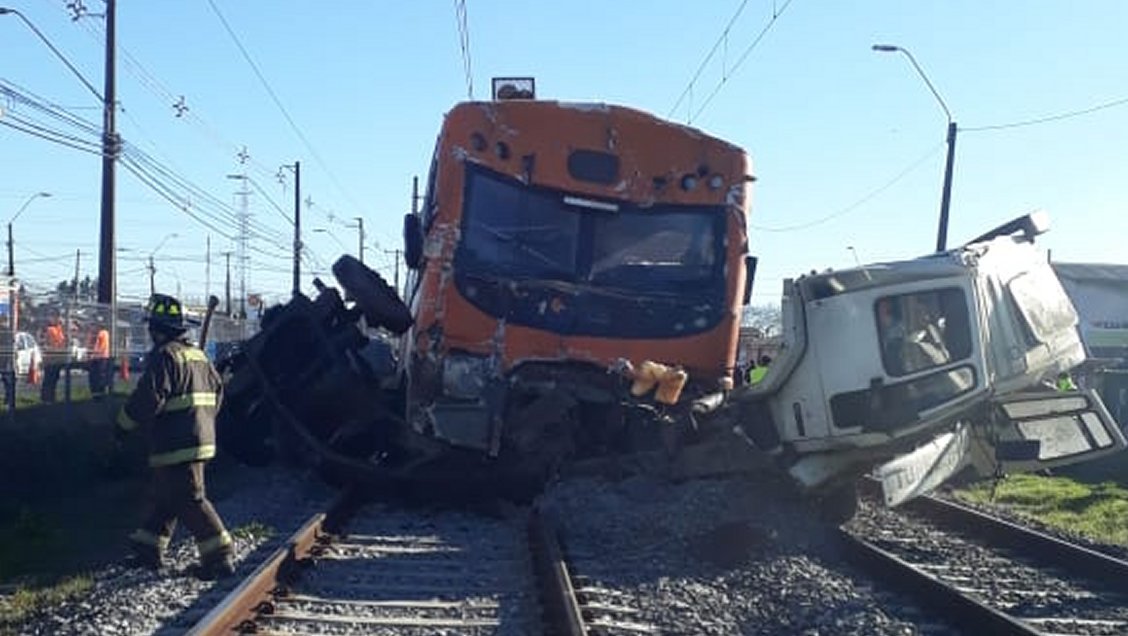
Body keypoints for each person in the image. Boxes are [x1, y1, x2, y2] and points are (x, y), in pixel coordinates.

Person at [115, 293, 234, 579]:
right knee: (166, 496)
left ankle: (219, 556)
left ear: (157, 329)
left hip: (176, 443)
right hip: (199, 438)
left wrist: (122, 426)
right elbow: (218, 393)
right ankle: (147, 550)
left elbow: (149, 398)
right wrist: (202, 423)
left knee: (190, 498)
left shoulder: (165, 356)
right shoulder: (199, 356)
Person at [39, 313, 67, 403]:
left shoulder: (59, 329)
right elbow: (48, 342)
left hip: (57, 357)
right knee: (49, 378)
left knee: (54, 378)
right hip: (51, 357)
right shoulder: (49, 329)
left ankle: (51, 396)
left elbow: (62, 341)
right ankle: (46, 397)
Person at [87, 318, 111, 397]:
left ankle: (101, 393)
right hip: (95, 358)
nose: (93, 326)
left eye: (95, 324)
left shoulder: (103, 333)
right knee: (94, 376)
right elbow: (89, 345)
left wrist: (93, 355)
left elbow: (101, 347)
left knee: (100, 375)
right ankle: (95, 393)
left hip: (101, 357)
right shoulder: (92, 333)